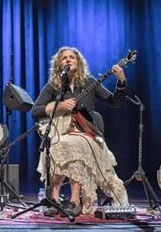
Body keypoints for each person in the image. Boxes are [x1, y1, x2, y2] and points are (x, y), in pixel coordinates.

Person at [31, 46, 129, 217]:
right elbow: (35, 111)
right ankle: (55, 200)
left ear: (78, 62)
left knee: (72, 144)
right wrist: (59, 106)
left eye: (72, 57)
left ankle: (75, 200)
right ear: (59, 64)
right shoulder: (54, 86)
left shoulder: (89, 82)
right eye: (64, 58)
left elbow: (115, 103)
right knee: (55, 144)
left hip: (87, 133)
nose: (68, 60)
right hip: (60, 133)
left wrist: (121, 82)